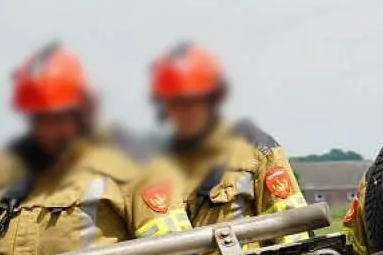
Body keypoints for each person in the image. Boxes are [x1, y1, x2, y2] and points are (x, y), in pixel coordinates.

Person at [0, 43, 148, 255]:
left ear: (81, 113)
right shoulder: (5, 186)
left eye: (57, 118)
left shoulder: (129, 171)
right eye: (39, 119)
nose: (48, 131)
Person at [128, 41, 305, 236]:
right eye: (175, 101)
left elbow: (292, 231)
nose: (186, 110)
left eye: (194, 99)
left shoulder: (258, 150)